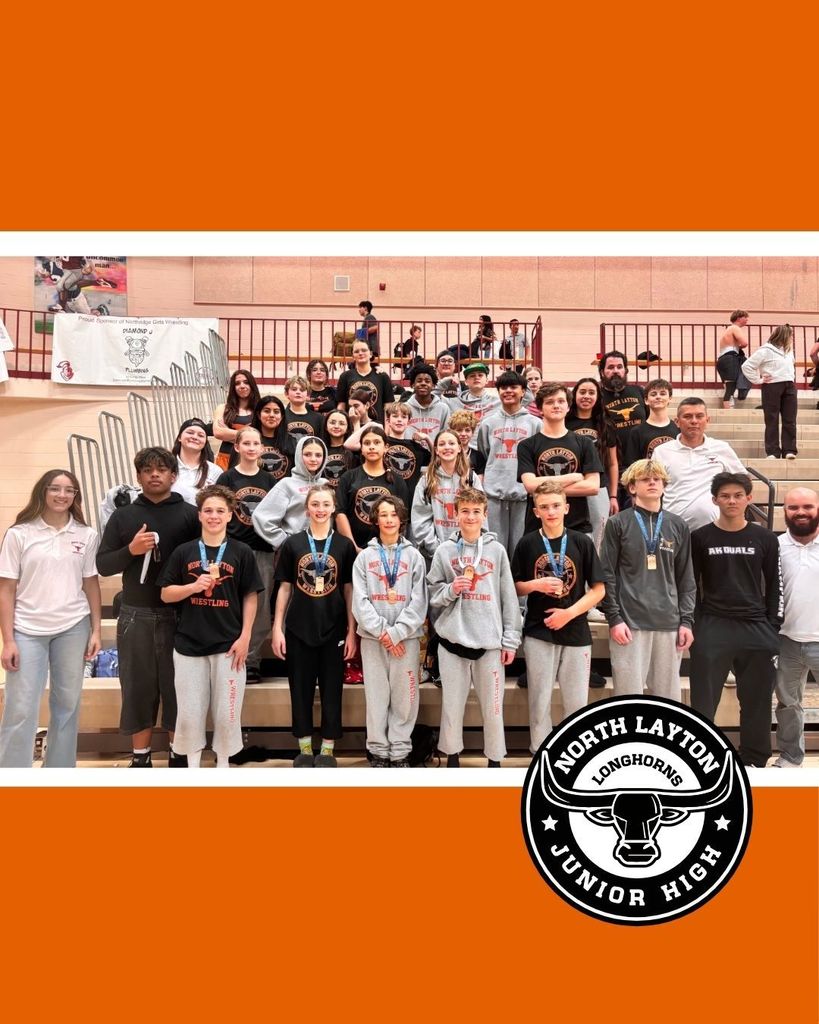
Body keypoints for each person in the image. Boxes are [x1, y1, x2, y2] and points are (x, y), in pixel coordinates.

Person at [96, 447, 200, 767]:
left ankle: (178, 755)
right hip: (135, 615)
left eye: (161, 469)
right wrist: (131, 549)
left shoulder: (190, 515)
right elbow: (103, 565)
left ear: (174, 475)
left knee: (177, 690)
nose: (154, 474)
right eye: (147, 470)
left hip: (180, 615)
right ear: (138, 476)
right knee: (137, 690)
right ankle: (140, 759)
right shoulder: (123, 516)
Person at [0, 470, 101, 767]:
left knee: (67, 705)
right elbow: (6, 589)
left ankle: (59, 774)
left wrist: (96, 630)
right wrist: (8, 640)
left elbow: (91, 583)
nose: (62, 495)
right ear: (42, 491)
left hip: (73, 627)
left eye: (69, 490)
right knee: (20, 707)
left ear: (75, 496)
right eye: (55, 488)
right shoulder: (19, 533)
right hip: (26, 629)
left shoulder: (86, 535)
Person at [158, 486, 262, 767]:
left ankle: (223, 764)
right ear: (199, 515)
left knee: (227, 714)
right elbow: (166, 594)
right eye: (208, 510)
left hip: (229, 646)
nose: (213, 516)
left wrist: (245, 637)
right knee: (190, 714)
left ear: (229, 515)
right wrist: (192, 587)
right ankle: (192, 766)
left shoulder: (241, 552)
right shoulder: (184, 551)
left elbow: (250, 596)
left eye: (220, 511)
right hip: (189, 645)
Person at [689, 472, 782, 768]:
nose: (732, 501)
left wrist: (772, 626)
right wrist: (697, 623)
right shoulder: (700, 537)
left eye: (738, 495)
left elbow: (775, 584)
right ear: (714, 500)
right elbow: (691, 585)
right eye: (725, 496)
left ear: (749, 499)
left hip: (756, 627)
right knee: (703, 702)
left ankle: (754, 759)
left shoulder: (766, 538)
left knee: (756, 700)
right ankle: (702, 759)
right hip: (713, 625)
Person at [427, 487, 522, 768]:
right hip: (452, 642)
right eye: (465, 511)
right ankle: (452, 756)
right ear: (455, 514)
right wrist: (450, 590)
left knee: (493, 708)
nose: (470, 517)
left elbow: (508, 597)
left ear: (485, 514)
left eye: (476, 512)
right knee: (452, 707)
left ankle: (494, 759)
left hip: (489, 643)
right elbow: (432, 595)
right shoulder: (444, 551)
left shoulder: (497, 550)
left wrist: (510, 640)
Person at [511, 481, 605, 752]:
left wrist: (569, 613)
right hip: (539, 629)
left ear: (566, 508)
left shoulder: (581, 542)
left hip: (575, 629)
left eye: (555, 505)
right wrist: (535, 585)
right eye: (544, 507)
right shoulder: (527, 543)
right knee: (539, 700)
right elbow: (514, 586)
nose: (551, 511)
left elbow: (599, 589)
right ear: (536, 511)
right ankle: (540, 751)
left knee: (576, 702)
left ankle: (573, 753)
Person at [272, 485, 357, 767]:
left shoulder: (344, 546)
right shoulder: (293, 544)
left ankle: (328, 749)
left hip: (334, 628)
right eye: (315, 504)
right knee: (300, 689)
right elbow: (284, 588)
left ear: (333, 508)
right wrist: (277, 628)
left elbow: (349, 590)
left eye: (325, 504)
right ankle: (305, 748)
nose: (320, 509)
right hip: (299, 628)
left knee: (332, 691)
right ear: (307, 509)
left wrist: (351, 631)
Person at [599, 460, 696, 701]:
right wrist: (614, 618)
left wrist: (686, 621)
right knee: (628, 698)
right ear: (632, 487)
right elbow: (606, 574)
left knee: (667, 700)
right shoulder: (617, 523)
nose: (652, 482)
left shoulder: (678, 525)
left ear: (664, 485)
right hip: (629, 623)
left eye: (657, 479)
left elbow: (686, 578)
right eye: (645, 479)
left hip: (669, 622)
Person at [352, 496, 428, 767]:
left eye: (393, 514)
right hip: (373, 640)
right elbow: (359, 602)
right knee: (376, 697)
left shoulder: (414, 557)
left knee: (405, 698)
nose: (388, 520)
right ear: (375, 519)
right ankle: (378, 750)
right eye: (383, 514)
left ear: (401, 519)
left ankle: (400, 751)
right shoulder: (364, 558)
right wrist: (384, 633)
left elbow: (419, 601)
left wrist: (396, 634)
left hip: (406, 640)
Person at [215, 428, 276, 684]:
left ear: (262, 448)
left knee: (260, 607)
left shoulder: (270, 480)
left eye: (255, 443)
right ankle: (227, 654)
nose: (251, 448)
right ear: (237, 447)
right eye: (246, 443)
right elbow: (218, 511)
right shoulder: (227, 478)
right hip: (233, 549)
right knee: (230, 602)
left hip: (263, 550)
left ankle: (251, 660)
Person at [517, 382, 603, 537]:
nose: (556, 406)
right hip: (538, 528)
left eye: (561, 401)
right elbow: (530, 485)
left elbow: (592, 486)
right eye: (550, 402)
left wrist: (542, 490)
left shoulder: (585, 443)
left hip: (578, 527)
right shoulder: (526, 445)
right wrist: (574, 477)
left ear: (568, 407)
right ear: (540, 409)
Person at [772, 488, 819, 768]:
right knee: (788, 703)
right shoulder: (775, 546)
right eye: (793, 507)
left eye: (807, 506)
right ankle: (790, 756)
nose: (801, 512)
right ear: (784, 511)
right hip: (786, 640)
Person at [653, 397, 746, 530]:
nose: (694, 421)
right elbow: (652, 488)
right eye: (687, 416)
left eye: (699, 416)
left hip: (714, 530)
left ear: (707, 420)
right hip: (673, 530)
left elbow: (743, 481)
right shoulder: (662, 451)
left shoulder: (722, 448)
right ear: (677, 422)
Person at [475, 370, 541, 557]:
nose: (508, 391)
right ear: (498, 391)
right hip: (494, 495)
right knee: (495, 549)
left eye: (513, 387)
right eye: (504, 388)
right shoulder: (488, 423)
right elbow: (483, 454)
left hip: (523, 496)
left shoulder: (535, 423)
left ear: (523, 391)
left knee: (520, 550)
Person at [411, 428, 482, 562]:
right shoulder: (427, 480)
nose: (447, 447)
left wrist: (471, 546)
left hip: (467, 552)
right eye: (442, 444)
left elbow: (480, 515)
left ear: (459, 448)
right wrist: (436, 549)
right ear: (436, 450)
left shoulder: (471, 479)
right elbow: (420, 519)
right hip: (435, 554)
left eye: (451, 443)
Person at [336, 426, 409, 552]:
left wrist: (390, 547)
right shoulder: (348, 477)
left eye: (376, 442)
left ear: (386, 447)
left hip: (388, 550)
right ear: (361, 448)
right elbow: (339, 513)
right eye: (367, 443)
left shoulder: (397, 481)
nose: (371, 447)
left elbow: (403, 518)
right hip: (353, 549)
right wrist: (354, 547)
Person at [565, 377, 619, 550]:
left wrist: (613, 496)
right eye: (582, 392)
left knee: (599, 535)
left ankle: (596, 566)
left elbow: (612, 463)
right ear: (574, 395)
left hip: (598, 487)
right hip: (571, 486)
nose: (586, 396)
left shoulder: (605, 425)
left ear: (598, 397)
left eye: (591, 392)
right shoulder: (565, 422)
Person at [251, 436, 329, 552]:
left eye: (318, 455)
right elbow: (261, 518)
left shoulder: (325, 484)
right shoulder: (287, 484)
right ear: (298, 456)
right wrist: (286, 542)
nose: (313, 459)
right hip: (295, 551)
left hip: (322, 548)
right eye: (307, 454)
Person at [740, 324, 798, 459]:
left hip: (789, 386)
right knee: (772, 419)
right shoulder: (765, 350)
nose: (792, 338)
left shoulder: (789, 351)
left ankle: (789, 450)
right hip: (772, 386)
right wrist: (758, 380)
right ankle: (773, 452)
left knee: (790, 419)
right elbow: (747, 366)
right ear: (783, 336)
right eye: (791, 335)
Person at [597, 351, 646, 503]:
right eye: (610, 367)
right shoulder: (597, 396)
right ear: (602, 372)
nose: (615, 371)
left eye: (619, 367)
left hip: (639, 467)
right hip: (611, 469)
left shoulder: (639, 392)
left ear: (626, 370)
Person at [622, 378, 680, 467]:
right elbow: (632, 466)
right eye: (653, 394)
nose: (658, 397)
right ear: (646, 400)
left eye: (662, 394)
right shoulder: (637, 432)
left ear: (670, 398)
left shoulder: (678, 428)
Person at [212, 369, 262, 471]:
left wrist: (228, 433)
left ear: (252, 385)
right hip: (225, 458)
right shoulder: (223, 408)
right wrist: (249, 436)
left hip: (250, 459)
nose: (242, 386)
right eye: (237, 383)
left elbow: (262, 437)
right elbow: (218, 432)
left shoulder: (260, 410)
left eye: (246, 382)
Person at [382, 402, 430, 508]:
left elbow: (437, 460)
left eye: (404, 417)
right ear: (388, 421)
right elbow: (349, 445)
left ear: (408, 422)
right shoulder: (382, 443)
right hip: (386, 500)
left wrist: (427, 439)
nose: (399, 420)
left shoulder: (415, 447)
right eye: (395, 416)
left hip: (409, 502)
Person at [336, 339, 393, 422]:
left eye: (364, 350)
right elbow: (341, 405)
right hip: (352, 426)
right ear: (353, 356)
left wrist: (387, 427)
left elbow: (388, 406)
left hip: (377, 426)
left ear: (371, 354)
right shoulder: (345, 377)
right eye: (356, 351)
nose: (360, 353)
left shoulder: (382, 376)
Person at [171, 417, 222, 505]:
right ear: (179, 437)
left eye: (201, 435)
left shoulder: (215, 471)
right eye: (190, 433)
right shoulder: (166, 467)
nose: (195, 437)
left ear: (205, 442)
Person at [440, 361, 500, 428]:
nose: (476, 377)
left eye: (480, 375)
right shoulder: (454, 402)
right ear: (466, 382)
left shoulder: (498, 402)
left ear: (486, 380)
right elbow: (433, 397)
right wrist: (444, 382)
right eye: (472, 375)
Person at [402, 363, 450, 443]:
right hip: (410, 450)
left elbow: (446, 435)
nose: (423, 383)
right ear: (413, 385)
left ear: (433, 385)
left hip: (435, 450)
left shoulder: (443, 408)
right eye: (419, 381)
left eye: (427, 381)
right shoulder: (404, 408)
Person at [251, 394, 292, 482]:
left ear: (281, 417)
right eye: (267, 411)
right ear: (258, 415)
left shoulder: (291, 441)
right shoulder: (248, 441)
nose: (272, 415)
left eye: (276, 412)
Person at [716, 310, 751, 408]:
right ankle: (728, 410)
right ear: (739, 318)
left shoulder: (728, 329)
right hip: (730, 359)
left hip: (722, 359)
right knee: (731, 387)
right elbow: (744, 343)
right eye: (745, 317)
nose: (747, 320)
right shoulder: (735, 328)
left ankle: (729, 407)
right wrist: (739, 348)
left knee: (728, 386)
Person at [321, 409, 355, 491]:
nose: (336, 426)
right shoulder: (320, 450)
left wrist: (356, 422)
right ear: (326, 426)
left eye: (342, 423)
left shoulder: (353, 450)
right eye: (332, 422)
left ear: (347, 428)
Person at [283, 374, 323, 440]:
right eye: (294, 389)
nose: (298, 392)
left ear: (308, 395)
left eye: (302, 390)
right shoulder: (281, 416)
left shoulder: (319, 419)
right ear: (286, 394)